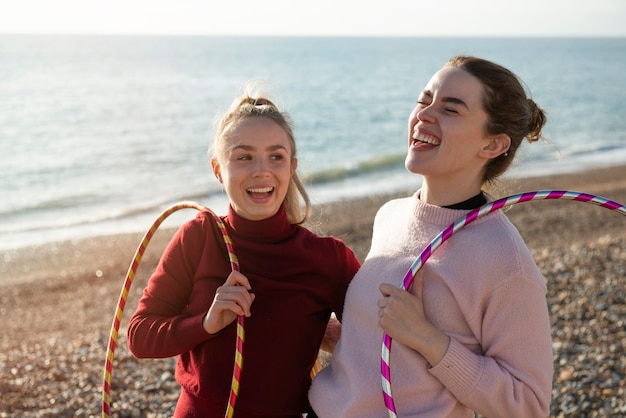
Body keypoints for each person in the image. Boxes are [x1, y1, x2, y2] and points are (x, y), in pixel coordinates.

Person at [309, 55, 553, 417]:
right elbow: (392, 345)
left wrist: (428, 339)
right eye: (425, 100)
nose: (424, 114)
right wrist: (343, 335)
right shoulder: (390, 215)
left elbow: (529, 405)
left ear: (492, 145)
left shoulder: (505, 261)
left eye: (451, 110)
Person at [127, 86, 361, 417]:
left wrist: (332, 337)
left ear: (291, 167)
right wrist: (206, 323)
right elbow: (139, 335)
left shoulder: (328, 258)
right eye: (243, 157)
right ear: (218, 169)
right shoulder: (199, 236)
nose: (261, 171)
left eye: (276, 157)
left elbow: (377, 344)